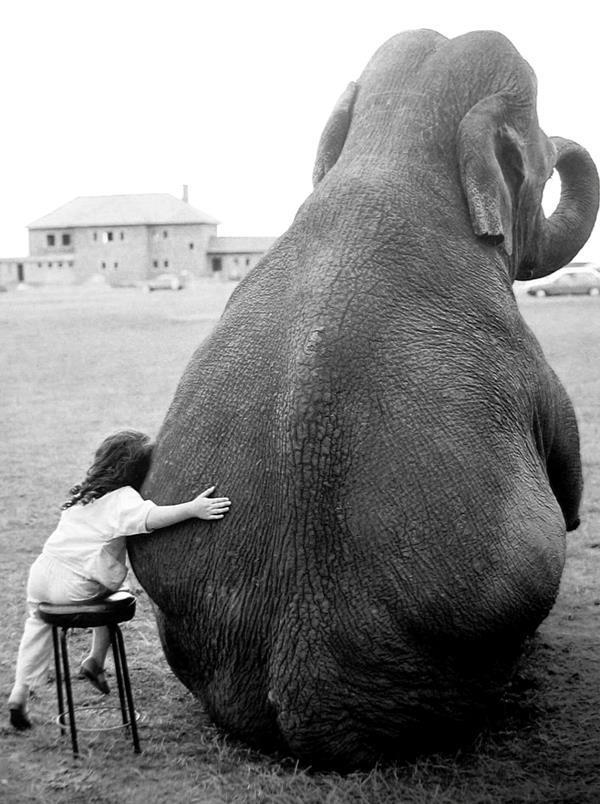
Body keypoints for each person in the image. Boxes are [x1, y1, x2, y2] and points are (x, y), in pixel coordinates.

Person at [8, 429, 230, 731]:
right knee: (116, 595)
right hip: (75, 583)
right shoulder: (123, 499)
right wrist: (193, 509)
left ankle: (21, 692)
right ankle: (95, 660)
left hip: (42, 574)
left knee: (37, 625)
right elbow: (150, 519)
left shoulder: (83, 495)